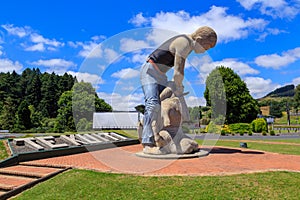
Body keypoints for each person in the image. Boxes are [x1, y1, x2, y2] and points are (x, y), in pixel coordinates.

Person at [140, 26, 217, 153]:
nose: (204, 51)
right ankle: (148, 141)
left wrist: (177, 88)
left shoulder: (188, 45)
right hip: (150, 72)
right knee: (153, 103)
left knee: (166, 98)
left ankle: (163, 133)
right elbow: (178, 73)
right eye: (206, 47)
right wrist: (179, 87)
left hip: (160, 76)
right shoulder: (184, 42)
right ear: (198, 39)